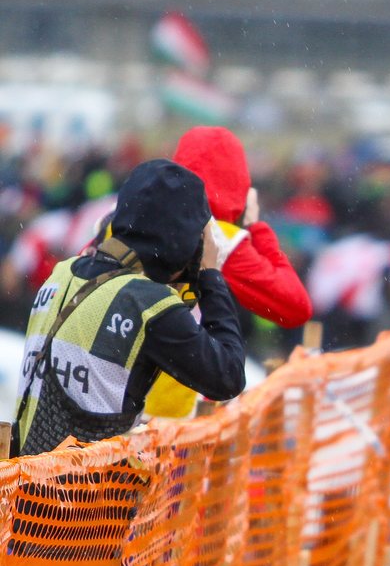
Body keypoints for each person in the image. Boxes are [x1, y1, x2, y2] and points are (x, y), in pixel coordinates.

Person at [12, 159, 246, 456]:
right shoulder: (146, 303)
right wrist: (210, 276)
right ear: (183, 242)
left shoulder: (62, 273)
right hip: (90, 497)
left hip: (22, 488)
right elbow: (228, 376)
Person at [137, 126, 311, 417]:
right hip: (167, 418)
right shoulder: (217, 236)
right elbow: (295, 306)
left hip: (102, 399)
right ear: (238, 183)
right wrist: (256, 227)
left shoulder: (125, 219)